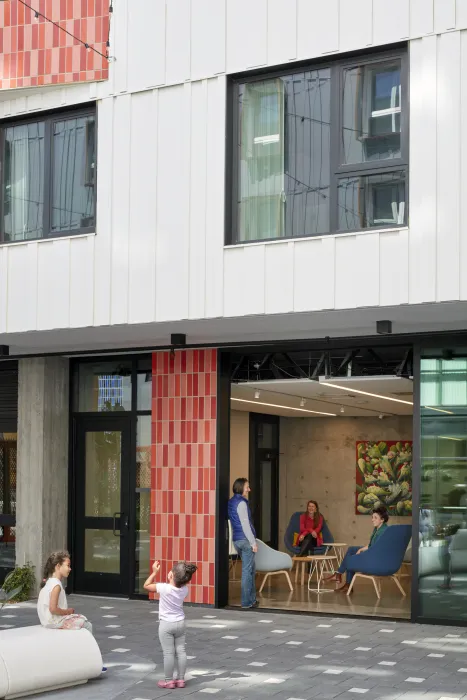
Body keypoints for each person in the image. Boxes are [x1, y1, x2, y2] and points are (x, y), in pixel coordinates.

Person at [37, 551, 106, 672]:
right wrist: (67, 611)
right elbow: (53, 609)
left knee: (79, 620)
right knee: (86, 625)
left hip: (48, 621)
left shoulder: (49, 582)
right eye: (67, 565)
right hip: (54, 621)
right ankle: (90, 660)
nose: (70, 569)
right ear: (58, 566)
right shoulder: (56, 586)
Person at [144, 560, 197, 690]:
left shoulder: (164, 588)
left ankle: (168, 681)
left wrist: (155, 572)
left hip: (166, 624)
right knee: (181, 651)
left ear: (171, 575)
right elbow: (177, 584)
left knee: (168, 653)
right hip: (180, 623)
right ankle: (181, 679)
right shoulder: (185, 589)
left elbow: (147, 585)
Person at [325, 505, 389, 592]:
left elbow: (374, 549)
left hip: (375, 560)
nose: (372, 519)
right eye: (372, 517)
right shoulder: (378, 528)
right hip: (373, 554)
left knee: (351, 559)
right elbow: (371, 545)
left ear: (382, 519)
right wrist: (361, 549)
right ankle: (343, 579)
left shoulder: (382, 531)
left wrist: (361, 552)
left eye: (375, 518)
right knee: (352, 550)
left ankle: (341, 576)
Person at [227, 477, 258, 609]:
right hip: (245, 540)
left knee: (251, 569)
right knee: (247, 571)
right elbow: (245, 525)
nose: (249, 489)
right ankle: (246, 602)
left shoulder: (231, 502)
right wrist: (253, 543)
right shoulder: (242, 503)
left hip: (237, 540)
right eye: (247, 487)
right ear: (241, 488)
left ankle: (252, 600)